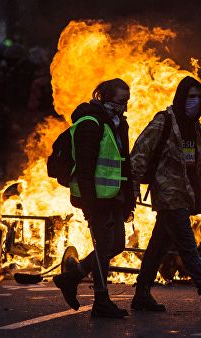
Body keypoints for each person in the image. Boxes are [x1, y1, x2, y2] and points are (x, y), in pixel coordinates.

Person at [130, 76, 201, 314]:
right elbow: (140, 153)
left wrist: (198, 198)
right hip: (168, 193)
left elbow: (195, 165)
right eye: (190, 97)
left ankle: (141, 294)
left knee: (158, 246)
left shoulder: (195, 127)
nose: (194, 102)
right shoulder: (163, 121)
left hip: (183, 196)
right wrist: (133, 186)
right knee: (187, 244)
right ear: (180, 98)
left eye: (199, 98)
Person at [54, 78, 135, 318]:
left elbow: (124, 164)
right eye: (121, 101)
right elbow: (85, 169)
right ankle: (101, 300)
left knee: (117, 244)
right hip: (98, 199)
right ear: (105, 98)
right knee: (105, 247)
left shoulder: (119, 124)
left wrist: (128, 200)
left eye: (127, 102)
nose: (125, 106)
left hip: (115, 196)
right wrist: (90, 204)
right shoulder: (90, 123)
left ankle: (72, 276)